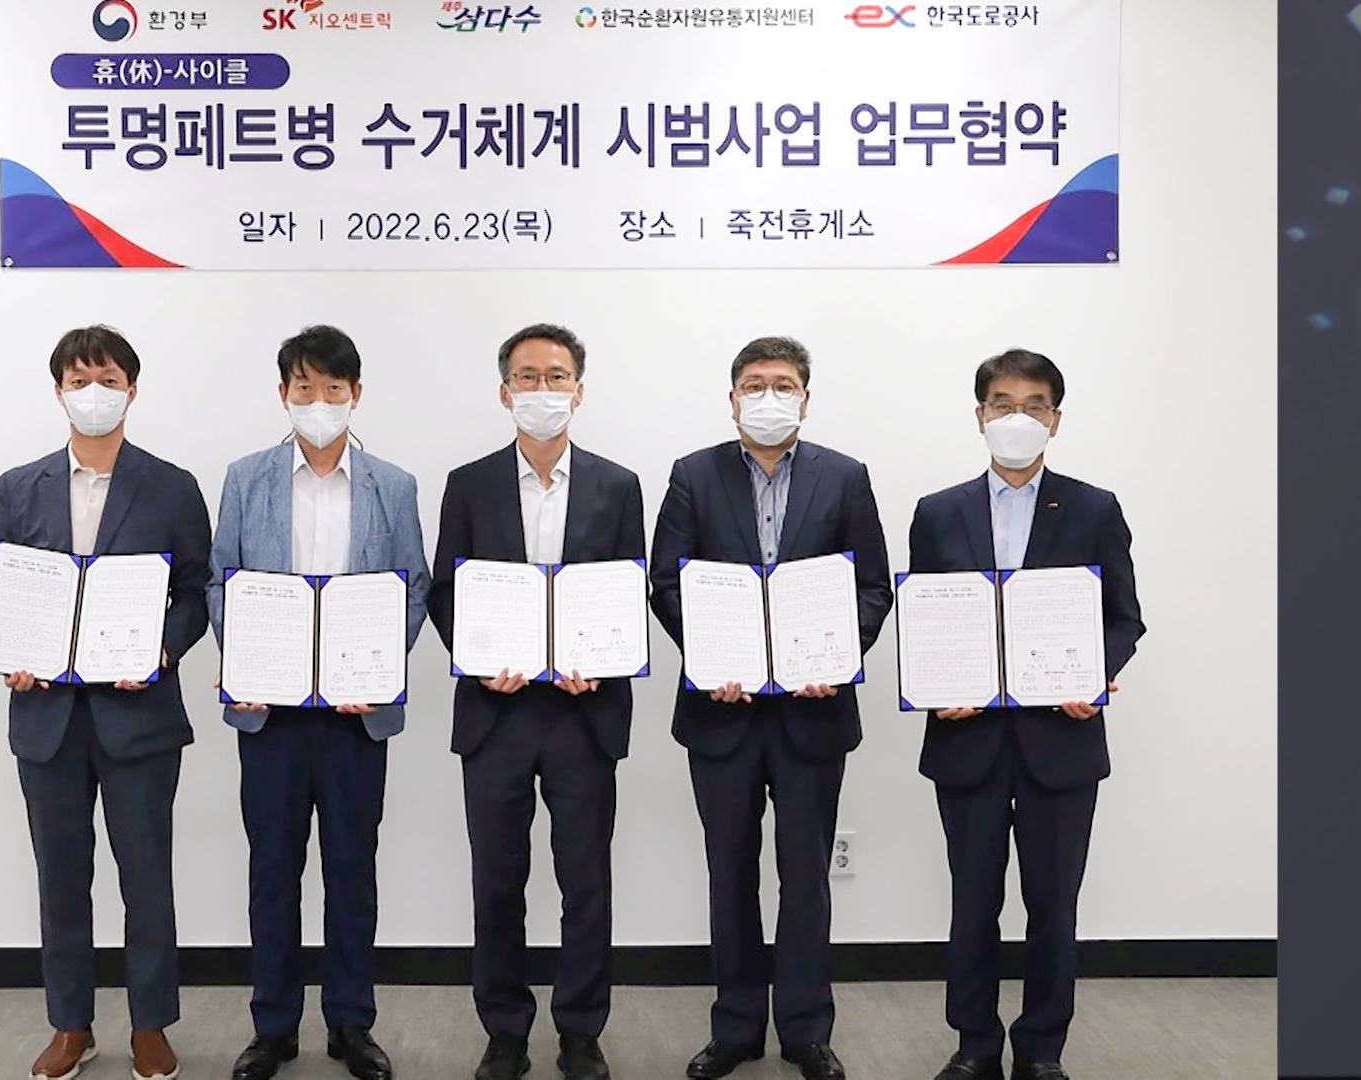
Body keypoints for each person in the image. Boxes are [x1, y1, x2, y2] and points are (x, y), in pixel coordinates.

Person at [649, 337, 892, 1080]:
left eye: (783, 385)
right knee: (729, 873)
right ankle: (734, 1029)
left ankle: (806, 1030)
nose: (768, 397)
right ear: (732, 400)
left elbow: (873, 587)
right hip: (721, 714)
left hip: (812, 715)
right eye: (754, 384)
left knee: (805, 877)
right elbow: (666, 582)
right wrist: (712, 656)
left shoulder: (845, 477)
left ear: (805, 400)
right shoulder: (693, 475)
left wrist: (834, 659)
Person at [0, 325, 212, 1080]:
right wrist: (10, 654)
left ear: (131, 390)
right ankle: (70, 1024)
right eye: (79, 381)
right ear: (58, 392)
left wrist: (163, 650)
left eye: (107, 379)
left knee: (147, 878)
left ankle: (150, 1025)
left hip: (139, 718)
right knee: (60, 879)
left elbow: (196, 591)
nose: (94, 393)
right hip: (47, 720)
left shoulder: (172, 486)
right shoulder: (18, 487)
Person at [908, 349, 1145, 1080]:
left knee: (1054, 907)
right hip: (967, 738)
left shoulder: (1094, 507)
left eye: (1034, 405)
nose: (1018, 417)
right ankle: (974, 1045)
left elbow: (1123, 618)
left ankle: (1042, 1050)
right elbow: (925, 617)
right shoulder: (937, 512)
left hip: (1061, 740)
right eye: (1003, 404)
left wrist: (1094, 675)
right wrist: (933, 683)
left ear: (1055, 420)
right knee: (972, 904)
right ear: (980, 416)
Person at [208, 326, 431, 1080]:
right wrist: (247, 659)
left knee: (351, 871)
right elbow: (221, 580)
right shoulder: (246, 479)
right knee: (272, 872)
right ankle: (272, 1027)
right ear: (283, 394)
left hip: (354, 718)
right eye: (304, 388)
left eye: (334, 389)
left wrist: (377, 666)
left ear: (355, 395)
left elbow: (414, 585)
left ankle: (350, 1023)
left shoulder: (392, 485)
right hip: (270, 716)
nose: (319, 402)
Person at [427, 324, 645, 1080]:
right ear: (504, 392)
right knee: (498, 883)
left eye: (556, 377)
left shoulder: (618, 485)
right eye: (527, 377)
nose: (541, 390)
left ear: (578, 392)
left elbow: (628, 589)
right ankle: (505, 1031)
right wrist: (479, 661)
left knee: (586, 882)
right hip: (497, 715)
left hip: (585, 715)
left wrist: (604, 664)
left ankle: (581, 1029)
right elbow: (446, 591)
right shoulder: (469, 483)